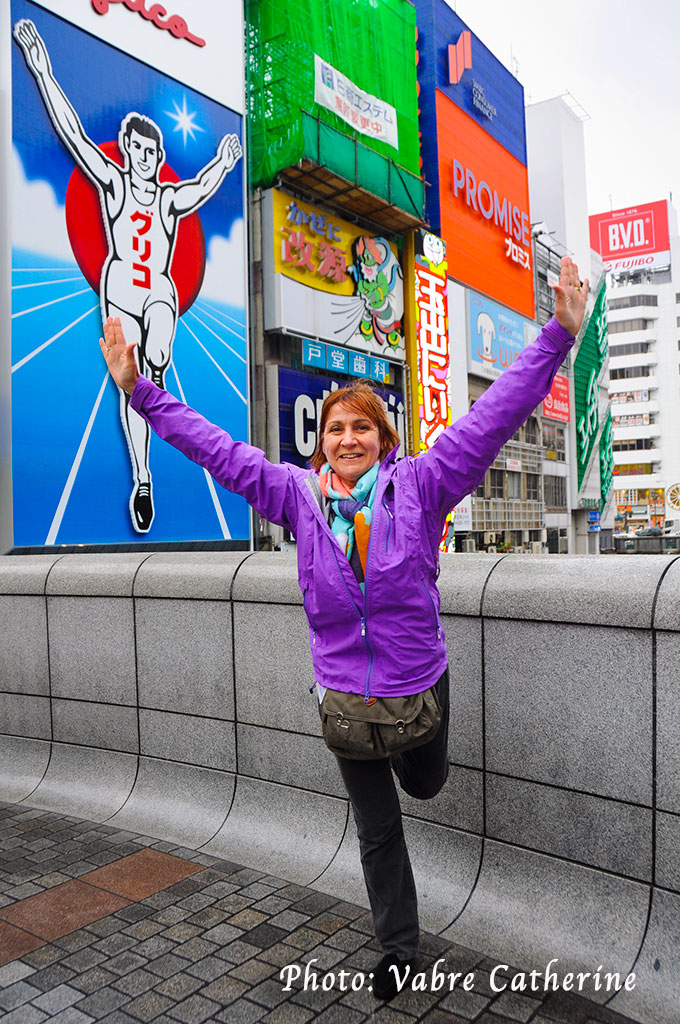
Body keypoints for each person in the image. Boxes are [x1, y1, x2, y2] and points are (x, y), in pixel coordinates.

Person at [100, 257, 589, 1000]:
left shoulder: (421, 486)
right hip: (344, 699)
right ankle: (398, 950)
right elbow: (217, 449)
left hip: (418, 683)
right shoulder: (295, 497)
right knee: (378, 829)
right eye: (335, 427)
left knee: (425, 786)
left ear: (383, 440)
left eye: (363, 426)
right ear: (319, 441)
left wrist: (559, 333)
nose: (348, 436)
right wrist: (140, 391)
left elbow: (493, 419)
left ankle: (420, 758)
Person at [14, 17, 242, 533]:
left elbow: (200, 187)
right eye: (137, 150)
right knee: (130, 386)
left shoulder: (165, 199)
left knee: (157, 340)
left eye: (152, 153)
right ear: (128, 148)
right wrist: (42, 68)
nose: (145, 158)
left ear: (158, 157)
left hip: (156, 288)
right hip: (120, 288)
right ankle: (143, 477)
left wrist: (225, 163)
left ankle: (158, 370)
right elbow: (71, 132)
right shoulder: (113, 185)